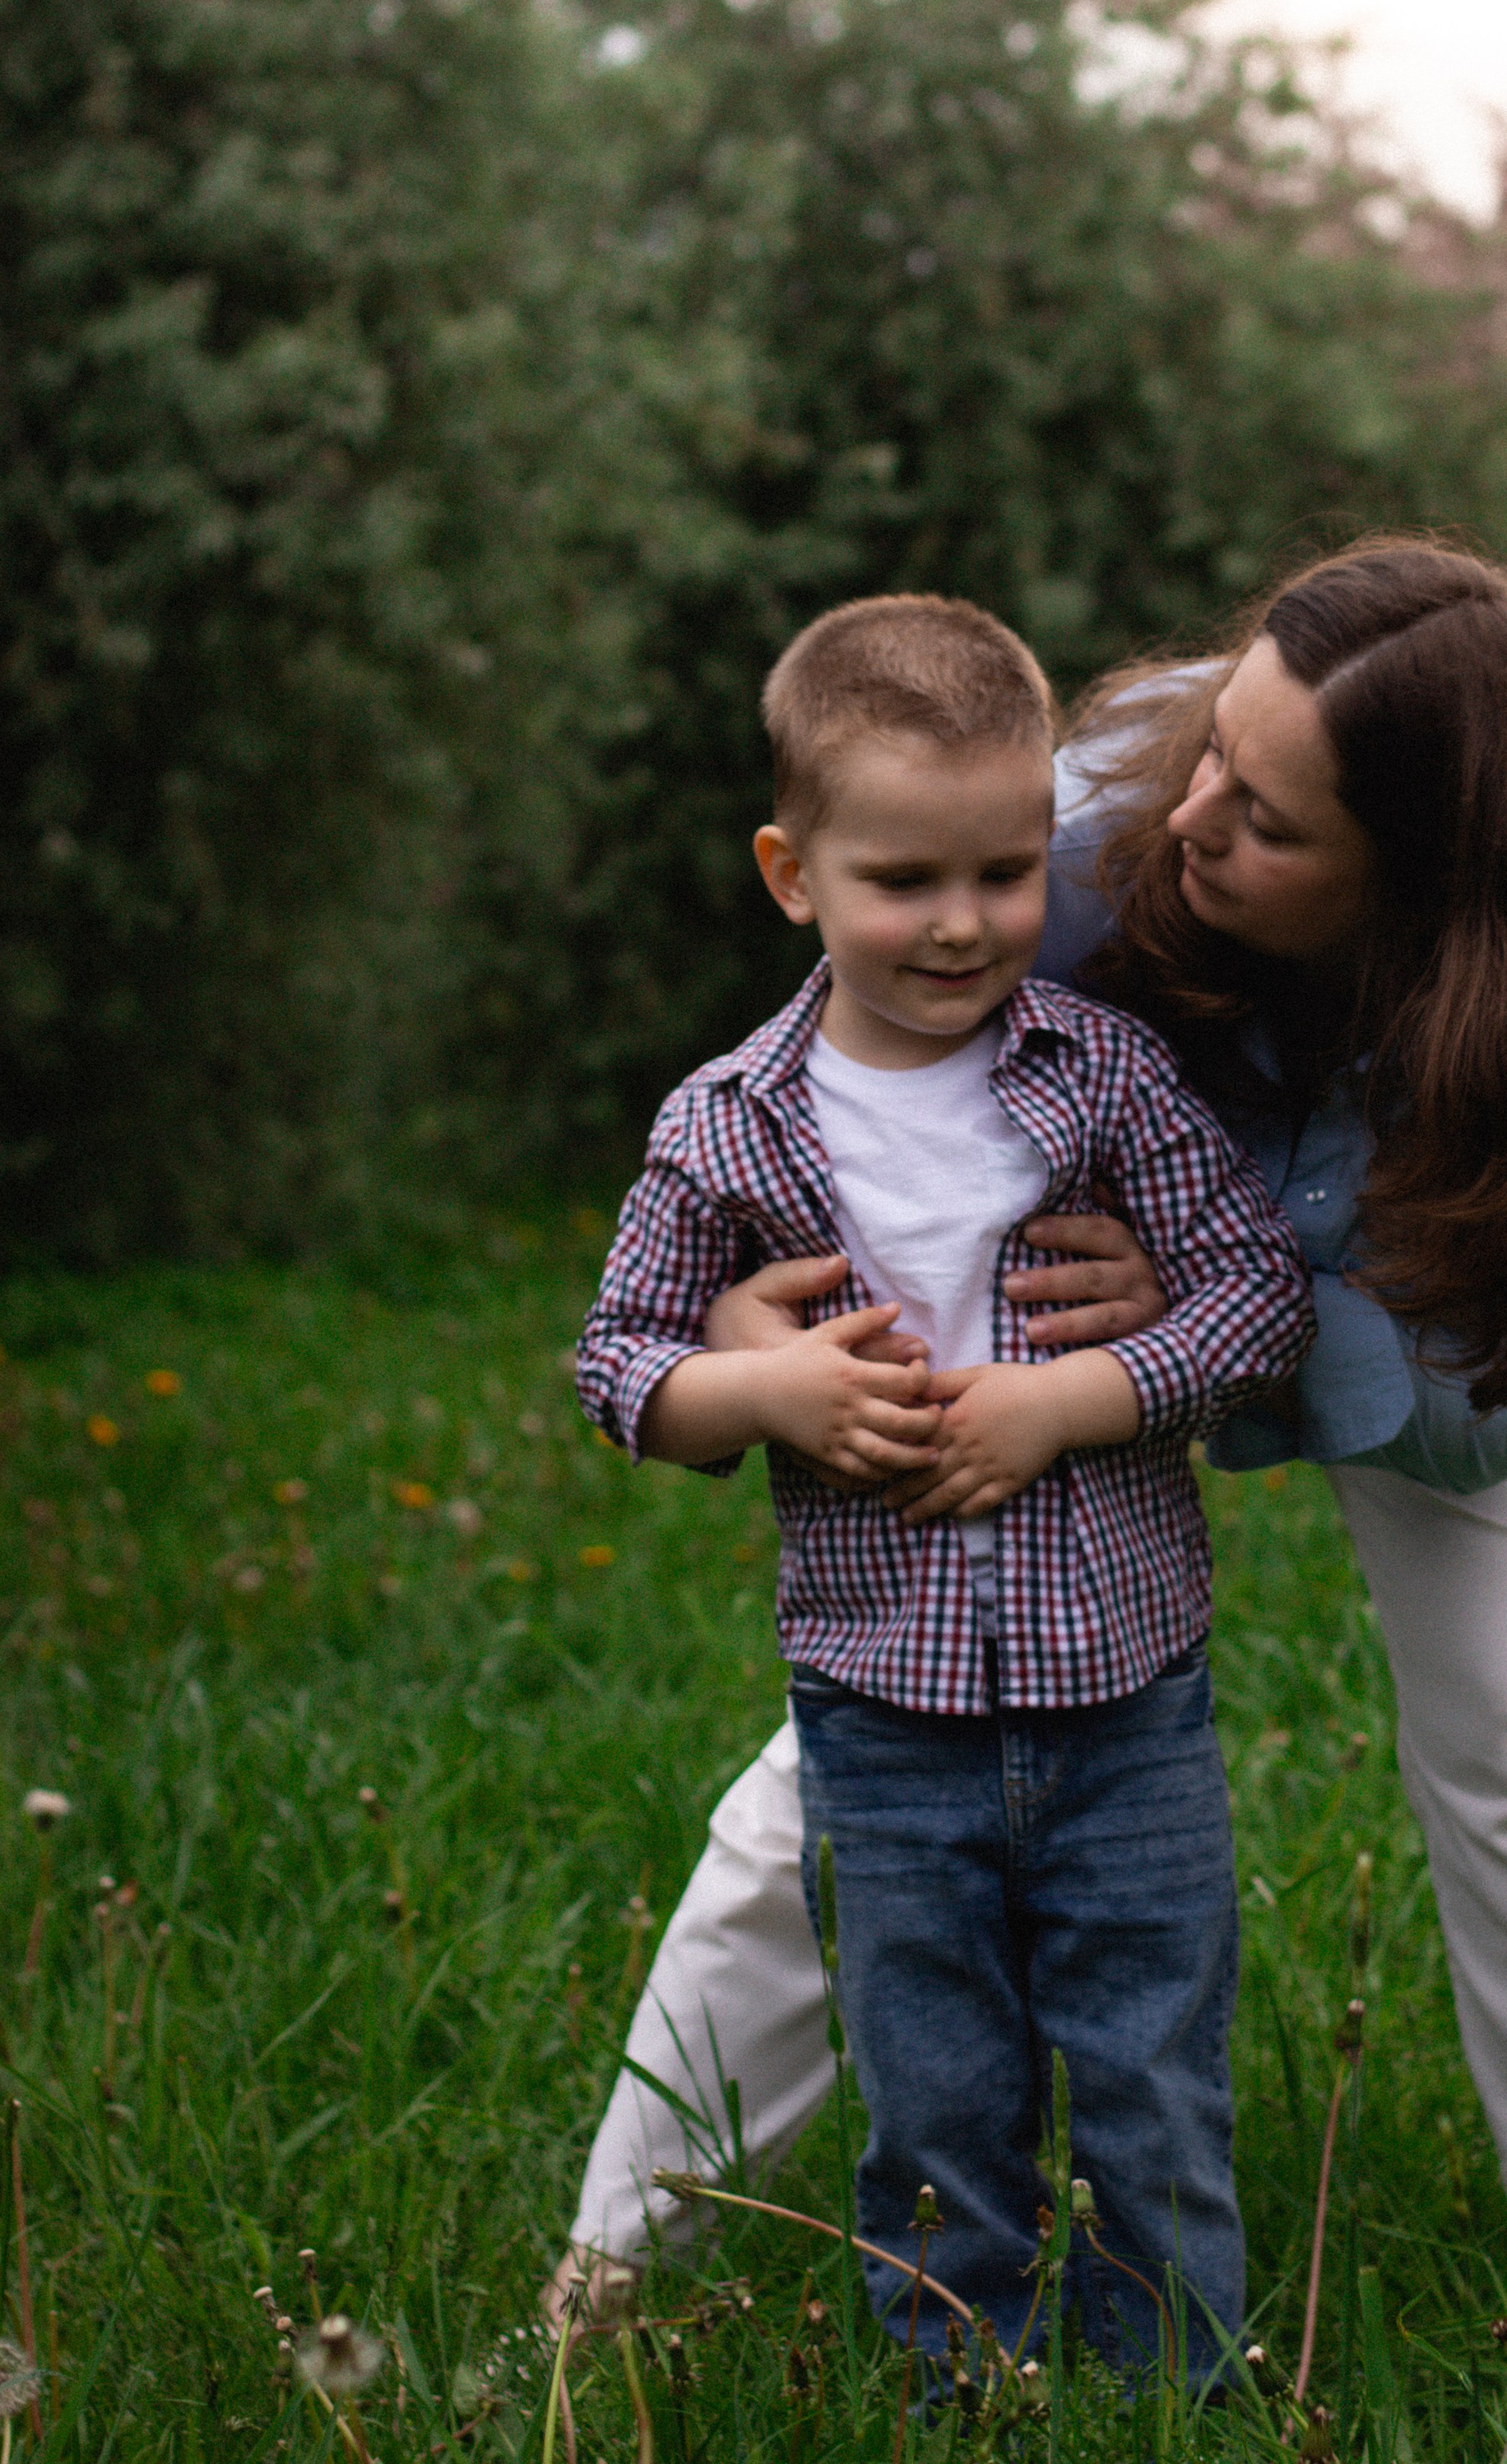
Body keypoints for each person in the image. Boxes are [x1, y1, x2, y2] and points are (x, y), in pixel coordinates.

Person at [559, 537, 1507, 2386]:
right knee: (859, 1757)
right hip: (1053, 1351)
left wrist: (1194, 1332)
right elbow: (839, 1066)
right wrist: (750, 1337)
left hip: (1418, 1335)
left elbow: (1498, 1412)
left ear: (1422, 883)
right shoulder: (1066, 846)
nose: (1191, 815)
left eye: (1268, 819)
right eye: (1218, 745)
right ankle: (612, 2260)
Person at [573, 594, 1316, 2374]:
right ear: (792, 875)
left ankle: (1167, 2384)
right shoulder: (727, 1123)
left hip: (1125, 1695)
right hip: (882, 1713)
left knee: (1150, 2067)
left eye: (1003, 872)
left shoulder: (1106, 1075)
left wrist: (1074, 1403)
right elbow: (619, 1367)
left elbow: (1257, 1295)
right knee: (931, 2087)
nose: (963, 922)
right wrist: (764, 1389)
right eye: (903, 880)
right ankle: (953, 2387)